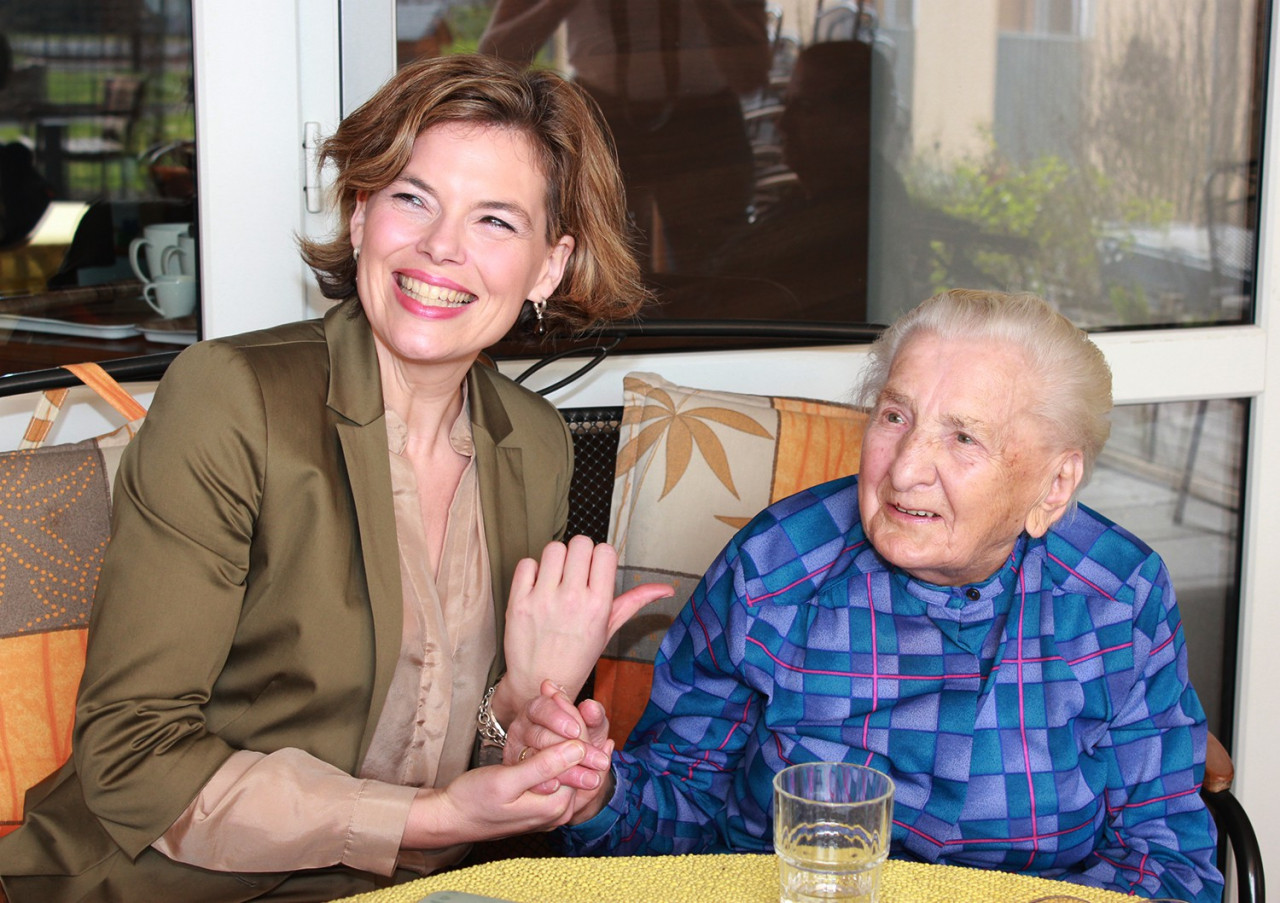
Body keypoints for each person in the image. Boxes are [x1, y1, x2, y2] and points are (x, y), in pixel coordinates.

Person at [0, 53, 670, 903]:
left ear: (548, 267)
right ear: (361, 217)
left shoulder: (533, 443)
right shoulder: (232, 397)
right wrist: (434, 819)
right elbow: (132, 753)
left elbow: (438, 733)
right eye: (412, 198)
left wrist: (522, 717)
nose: (441, 247)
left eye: (496, 221)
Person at [513, 290, 1224, 902]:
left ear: (1055, 486)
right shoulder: (778, 566)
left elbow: (1166, 854)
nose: (907, 467)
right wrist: (599, 794)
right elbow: (685, 815)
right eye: (894, 416)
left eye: (964, 437)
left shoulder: (1116, 595)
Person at [480, 0, 771, 277]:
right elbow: (493, 59)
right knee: (596, 268)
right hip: (602, 116)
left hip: (704, 125)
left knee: (718, 264)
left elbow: (752, 74)